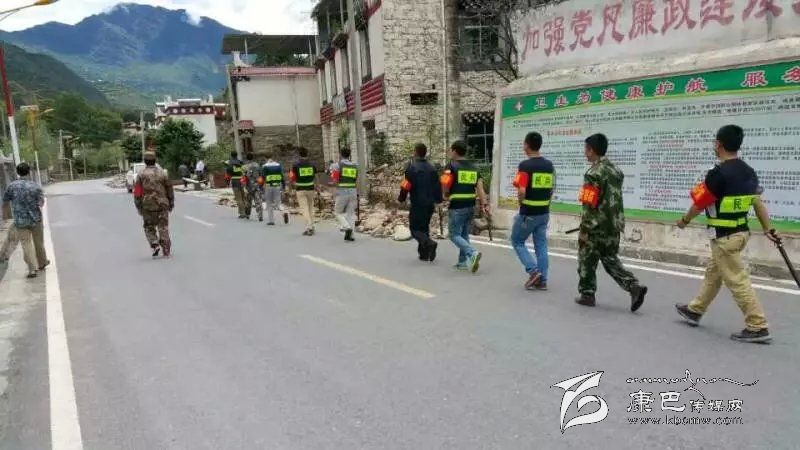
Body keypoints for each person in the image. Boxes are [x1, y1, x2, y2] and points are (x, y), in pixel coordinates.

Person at [674, 125, 778, 344]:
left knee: (737, 280)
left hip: (724, 238)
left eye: (715, 142)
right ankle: (695, 310)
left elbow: (700, 204)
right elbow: (757, 203)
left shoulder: (718, 174)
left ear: (719, 144)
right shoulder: (748, 171)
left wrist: (684, 221)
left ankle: (758, 325)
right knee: (714, 273)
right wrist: (767, 229)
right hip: (741, 234)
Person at [575, 134, 647, 311]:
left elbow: (588, 204)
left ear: (591, 150)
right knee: (609, 259)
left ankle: (587, 294)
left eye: (586, 149)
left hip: (596, 226)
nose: (585, 153)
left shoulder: (592, 173)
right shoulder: (616, 171)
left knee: (586, 259)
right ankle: (633, 286)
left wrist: (584, 229)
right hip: (614, 224)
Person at [511, 132, 553, 290]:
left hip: (528, 212)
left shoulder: (525, 166)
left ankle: (533, 271)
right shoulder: (549, 165)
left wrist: (521, 203)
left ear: (526, 145)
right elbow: (551, 189)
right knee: (541, 245)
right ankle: (543, 280)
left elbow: (521, 190)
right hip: (544, 212)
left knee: (517, 241)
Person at [441, 140, 486, 273]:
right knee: (464, 234)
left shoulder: (451, 166)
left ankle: (472, 253)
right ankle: (462, 262)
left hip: (457, 205)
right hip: (471, 205)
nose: (450, 152)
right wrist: (484, 204)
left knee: (454, 234)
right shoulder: (474, 168)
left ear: (454, 151)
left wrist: (445, 194)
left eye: (451, 150)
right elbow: (480, 189)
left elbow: (445, 183)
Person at [1, 163, 48, 278]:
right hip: (35, 219)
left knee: (26, 243)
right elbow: (41, 202)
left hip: (20, 220)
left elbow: (5, 200)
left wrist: (6, 215)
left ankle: (32, 269)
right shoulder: (35, 186)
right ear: (29, 172)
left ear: (17, 172)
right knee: (38, 242)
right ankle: (42, 262)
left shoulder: (12, 186)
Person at [398, 143, 442, 261]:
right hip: (430, 204)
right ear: (425, 153)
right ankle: (424, 254)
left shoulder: (411, 168)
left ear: (415, 152)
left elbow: (406, 186)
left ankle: (429, 243)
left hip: (417, 203)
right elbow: (437, 186)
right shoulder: (432, 168)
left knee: (414, 229)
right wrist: (439, 200)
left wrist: (401, 199)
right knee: (424, 228)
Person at [133, 151, 174, 258]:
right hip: (162, 204)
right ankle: (165, 247)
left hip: (147, 205)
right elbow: (169, 189)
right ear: (155, 160)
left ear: (145, 161)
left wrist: (138, 205)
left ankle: (154, 243)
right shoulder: (163, 173)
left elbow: (137, 192)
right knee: (163, 226)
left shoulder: (140, 174)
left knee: (148, 226)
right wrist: (171, 202)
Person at [330, 148, 359, 242]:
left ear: (340, 155)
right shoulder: (355, 166)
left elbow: (335, 180)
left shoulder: (337, 165)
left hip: (342, 191)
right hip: (353, 191)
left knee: (337, 212)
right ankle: (352, 236)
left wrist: (331, 184)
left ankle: (347, 227)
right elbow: (356, 179)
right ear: (349, 155)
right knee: (350, 214)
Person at [290, 147, 317, 236]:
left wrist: (291, 187)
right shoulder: (312, 164)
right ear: (307, 153)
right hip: (311, 188)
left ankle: (309, 227)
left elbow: (292, 177)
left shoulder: (295, 164)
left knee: (304, 209)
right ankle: (311, 226)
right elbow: (316, 176)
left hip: (300, 188)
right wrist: (318, 186)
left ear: (299, 154)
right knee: (310, 208)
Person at [262, 152, 289, 226]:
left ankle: (271, 221)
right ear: (272, 157)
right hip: (277, 186)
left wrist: (261, 187)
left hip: (268, 186)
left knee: (269, 203)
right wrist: (284, 186)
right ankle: (284, 212)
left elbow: (263, 177)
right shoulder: (278, 165)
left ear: (265, 158)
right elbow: (282, 176)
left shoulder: (265, 166)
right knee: (278, 202)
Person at [242, 152, 264, 222]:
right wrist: (261, 185)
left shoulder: (244, 167)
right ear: (253, 158)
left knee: (248, 202)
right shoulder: (257, 165)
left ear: (246, 158)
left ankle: (247, 215)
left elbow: (243, 178)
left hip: (248, 187)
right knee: (258, 201)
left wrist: (244, 187)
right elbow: (261, 175)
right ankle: (260, 216)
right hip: (257, 186)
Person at [225, 151, 246, 218]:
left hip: (235, 181)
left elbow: (228, 174)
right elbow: (244, 171)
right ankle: (245, 211)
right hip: (242, 181)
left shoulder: (230, 163)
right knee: (243, 197)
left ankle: (242, 213)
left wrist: (227, 182)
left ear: (231, 155)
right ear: (236, 155)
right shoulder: (240, 162)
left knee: (238, 198)